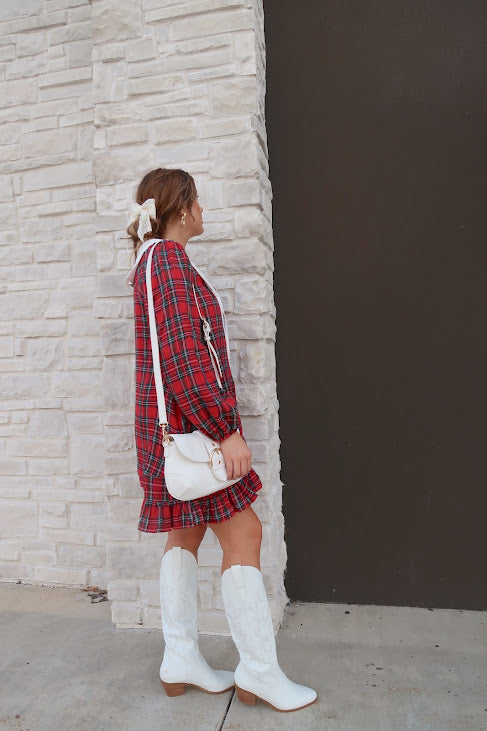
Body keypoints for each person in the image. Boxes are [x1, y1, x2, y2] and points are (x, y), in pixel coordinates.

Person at [125, 168, 317, 712]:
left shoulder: (153, 262)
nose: (203, 210)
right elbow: (185, 360)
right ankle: (259, 672)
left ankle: (180, 657)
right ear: (181, 209)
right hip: (195, 432)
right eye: (199, 202)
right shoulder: (167, 262)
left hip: (171, 434)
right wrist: (226, 430)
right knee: (245, 532)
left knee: (184, 535)